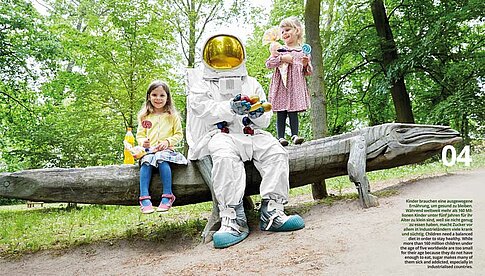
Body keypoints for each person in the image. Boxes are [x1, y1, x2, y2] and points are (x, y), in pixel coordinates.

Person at [187, 33, 305, 249]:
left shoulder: (250, 83)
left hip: (251, 134)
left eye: (230, 52)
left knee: (276, 152)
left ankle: (273, 212)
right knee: (224, 159)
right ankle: (233, 218)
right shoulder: (200, 84)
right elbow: (203, 109)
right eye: (219, 53)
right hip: (221, 136)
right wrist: (229, 108)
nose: (225, 56)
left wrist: (256, 113)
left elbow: (266, 120)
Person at [135, 80, 187, 214]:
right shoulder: (145, 117)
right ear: (149, 97)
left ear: (167, 97)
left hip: (166, 151)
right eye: (154, 95)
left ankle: (168, 196)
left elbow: (179, 134)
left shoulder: (172, 116)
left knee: (161, 159)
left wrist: (168, 142)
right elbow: (140, 135)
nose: (158, 98)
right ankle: (144, 198)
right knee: (146, 162)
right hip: (150, 150)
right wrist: (143, 142)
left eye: (162, 95)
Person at [266, 16, 312, 146]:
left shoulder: (303, 51)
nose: (284, 33)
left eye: (287, 30)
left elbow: (308, 72)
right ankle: (280, 136)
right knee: (281, 110)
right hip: (282, 85)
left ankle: (295, 135)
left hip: (295, 86)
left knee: (293, 111)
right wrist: (282, 59)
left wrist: (305, 64)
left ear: (296, 30)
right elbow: (269, 64)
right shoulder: (279, 49)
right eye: (282, 32)